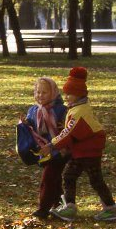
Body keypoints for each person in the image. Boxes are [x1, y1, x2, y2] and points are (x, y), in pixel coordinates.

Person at [40, 67, 116, 222]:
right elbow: (72, 134)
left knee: (84, 178)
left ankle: (106, 208)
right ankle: (77, 207)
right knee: (79, 177)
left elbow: (68, 132)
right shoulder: (77, 108)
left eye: (69, 94)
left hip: (88, 151)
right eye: (65, 93)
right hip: (83, 150)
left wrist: (51, 145)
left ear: (79, 94)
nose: (66, 97)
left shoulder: (79, 112)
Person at [19, 77, 69, 219]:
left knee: (48, 177)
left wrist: (63, 126)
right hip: (43, 151)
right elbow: (32, 127)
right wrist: (25, 124)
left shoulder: (61, 109)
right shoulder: (33, 110)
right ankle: (59, 205)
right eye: (38, 92)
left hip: (59, 150)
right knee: (54, 179)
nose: (40, 95)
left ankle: (43, 209)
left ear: (53, 93)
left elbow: (68, 127)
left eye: (44, 93)